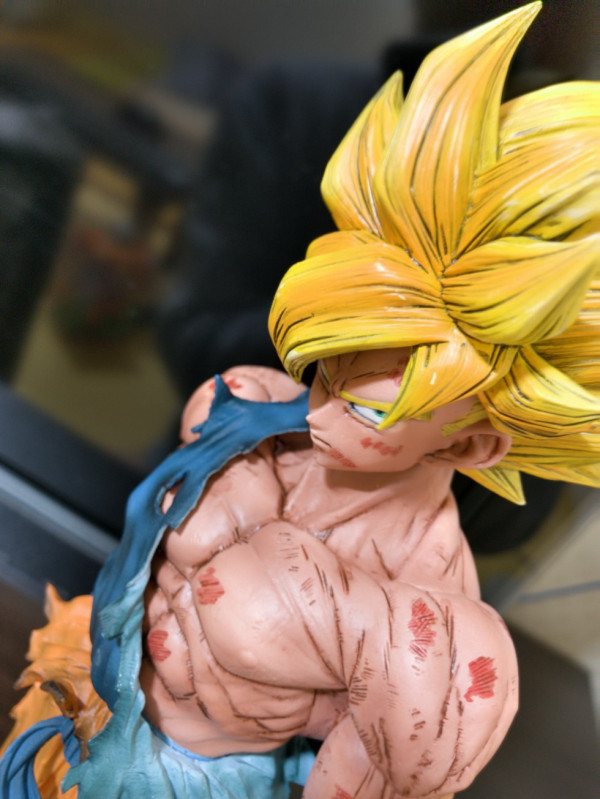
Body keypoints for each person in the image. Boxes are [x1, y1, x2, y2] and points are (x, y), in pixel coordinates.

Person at [1, 4, 598, 797]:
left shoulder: (430, 607)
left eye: (368, 410)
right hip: (75, 701)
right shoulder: (250, 406)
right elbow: (197, 332)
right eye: (323, 367)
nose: (317, 415)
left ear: (471, 444)